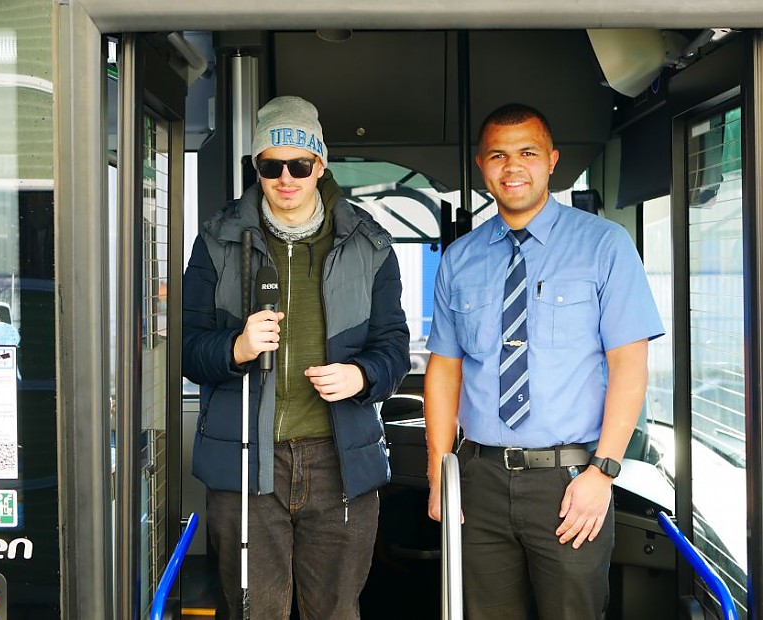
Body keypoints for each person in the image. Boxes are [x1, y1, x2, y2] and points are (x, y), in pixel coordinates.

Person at [424, 103, 664, 619]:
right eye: (498, 155)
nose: (513, 167)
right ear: (480, 166)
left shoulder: (604, 245)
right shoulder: (459, 258)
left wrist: (602, 472)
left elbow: (629, 366)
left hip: (572, 479)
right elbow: (444, 369)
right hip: (478, 480)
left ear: (552, 160)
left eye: (527, 153)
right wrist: (439, 472)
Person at [182, 95, 410, 619]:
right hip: (245, 462)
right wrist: (236, 347)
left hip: (340, 460)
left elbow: (394, 347)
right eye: (271, 165)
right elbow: (189, 351)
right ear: (257, 168)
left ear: (320, 166)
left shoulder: (369, 243)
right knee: (252, 611)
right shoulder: (216, 241)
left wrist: (361, 375)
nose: (286, 177)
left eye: (299, 165)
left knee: (334, 610)